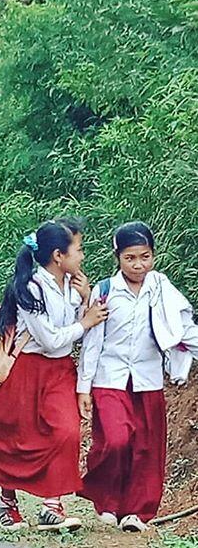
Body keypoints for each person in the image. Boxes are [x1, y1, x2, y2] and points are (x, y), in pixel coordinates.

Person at [0, 219, 108, 531]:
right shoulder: (30, 288)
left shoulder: (73, 286)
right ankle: (6, 502)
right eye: (78, 249)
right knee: (16, 437)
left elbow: (77, 329)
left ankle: (52, 504)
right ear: (58, 256)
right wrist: (85, 323)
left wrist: (87, 297)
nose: (83, 256)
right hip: (28, 368)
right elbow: (49, 338)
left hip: (60, 369)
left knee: (66, 431)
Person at [77, 222, 198, 531]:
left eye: (145, 256)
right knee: (115, 440)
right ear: (117, 257)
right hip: (110, 378)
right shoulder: (105, 292)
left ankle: (136, 513)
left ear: (153, 255)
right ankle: (107, 501)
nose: (138, 264)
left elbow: (183, 328)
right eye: (130, 258)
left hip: (148, 378)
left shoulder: (161, 289)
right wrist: (84, 387)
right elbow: (92, 342)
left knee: (146, 447)